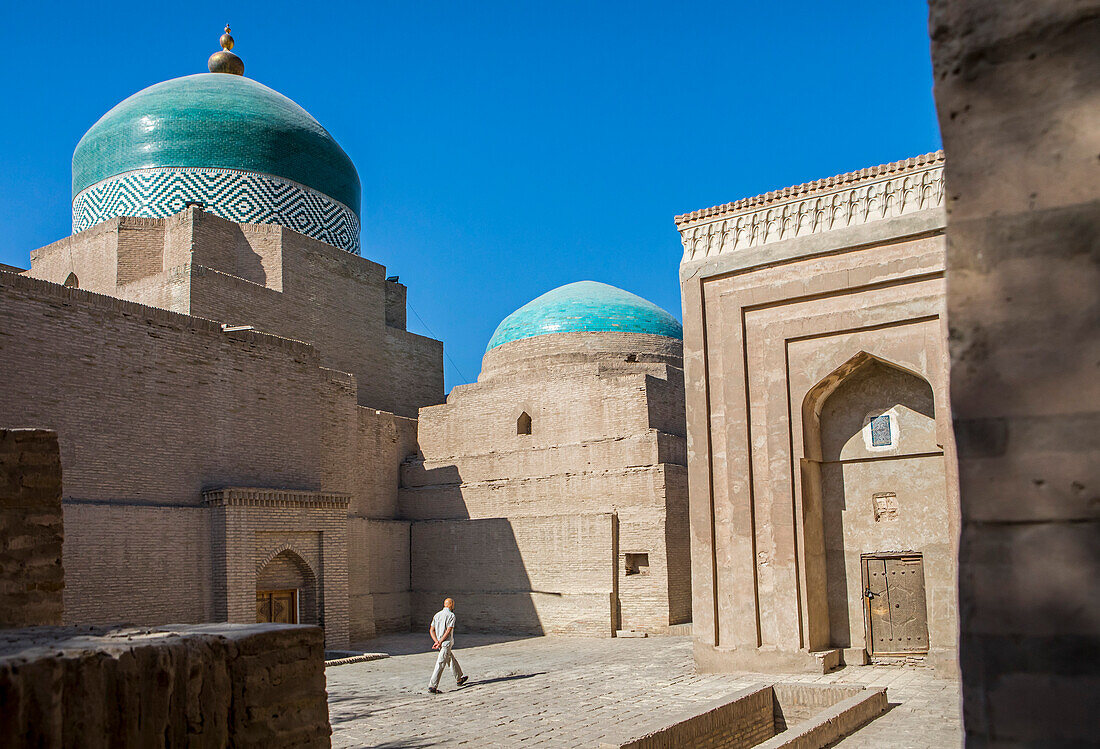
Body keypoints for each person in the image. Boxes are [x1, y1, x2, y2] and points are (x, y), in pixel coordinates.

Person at [427, 597, 468, 693]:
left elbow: (431, 630)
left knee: (450, 659)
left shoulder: (437, 615)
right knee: (440, 663)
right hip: (445, 643)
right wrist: (440, 642)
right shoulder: (451, 615)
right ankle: (432, 686)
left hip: (441, 643)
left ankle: (459, 678)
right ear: (451, 605)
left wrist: (436, 641)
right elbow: (448, 630)